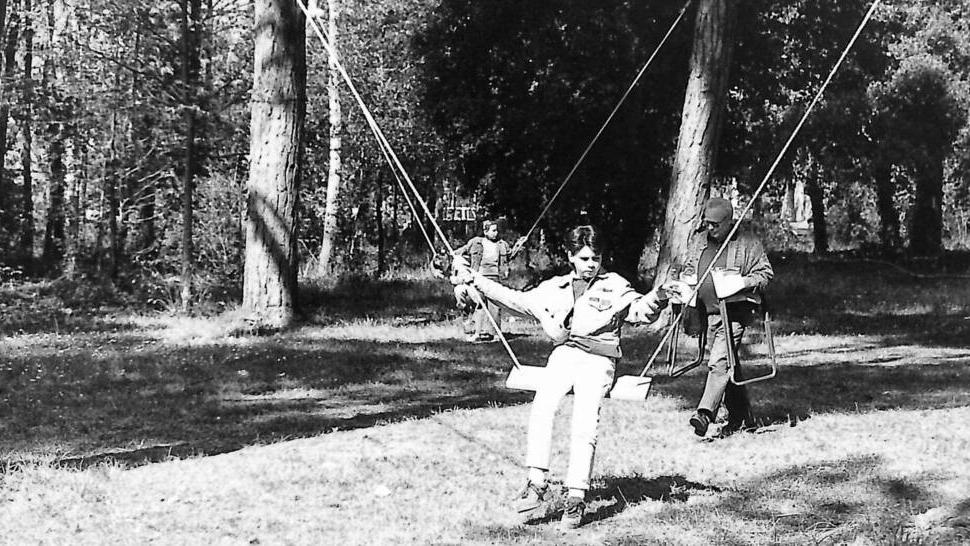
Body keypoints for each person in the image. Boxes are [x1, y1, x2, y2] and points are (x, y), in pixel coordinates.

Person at [451, 225, 670, 530]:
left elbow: (640, 312)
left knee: (584, 421)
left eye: (595, 258)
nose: (590, 264)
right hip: (564, 355)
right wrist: (475, 280)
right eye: (583, 258)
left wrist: (660, 295)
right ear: (570, 257)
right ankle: (537, 482)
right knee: (543, 408)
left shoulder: (615, 285)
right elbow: (513, 299)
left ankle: (576, 496)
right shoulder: (554, 287)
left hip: (598, 359)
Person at [686, 197, 773, 438]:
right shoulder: (699, 241)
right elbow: (688, 268)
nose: (710, 228)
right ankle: (742, 418)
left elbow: (765, 274)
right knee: (727, 364)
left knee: (719, 361)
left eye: (715, 224)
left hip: (733, 312)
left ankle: (704, 413)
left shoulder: (747, 242)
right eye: (707, 223)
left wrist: (742, 282)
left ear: (729, 221)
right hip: (708, 313)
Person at [453, 219, 512, 342]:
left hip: (495, 277)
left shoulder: (502, 245)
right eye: (493, 230)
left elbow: (510, 255)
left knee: (495, 306)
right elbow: (461, 251)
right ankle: (478, 333)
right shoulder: (476, 242)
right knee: (479, 304)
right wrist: (452, 254)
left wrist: (519, 245)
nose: (496, 233)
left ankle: (495, 334)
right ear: (486, 232)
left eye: (497, 230)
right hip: (479, 277)